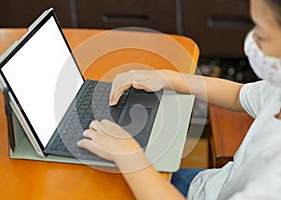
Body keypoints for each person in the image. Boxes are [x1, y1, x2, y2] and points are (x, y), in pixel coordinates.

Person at [77, 0, 281, 199]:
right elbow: (239, 96)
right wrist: (167, 77)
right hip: (210, 185)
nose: (251, 41)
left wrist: (129, 157)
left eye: (261, 35)